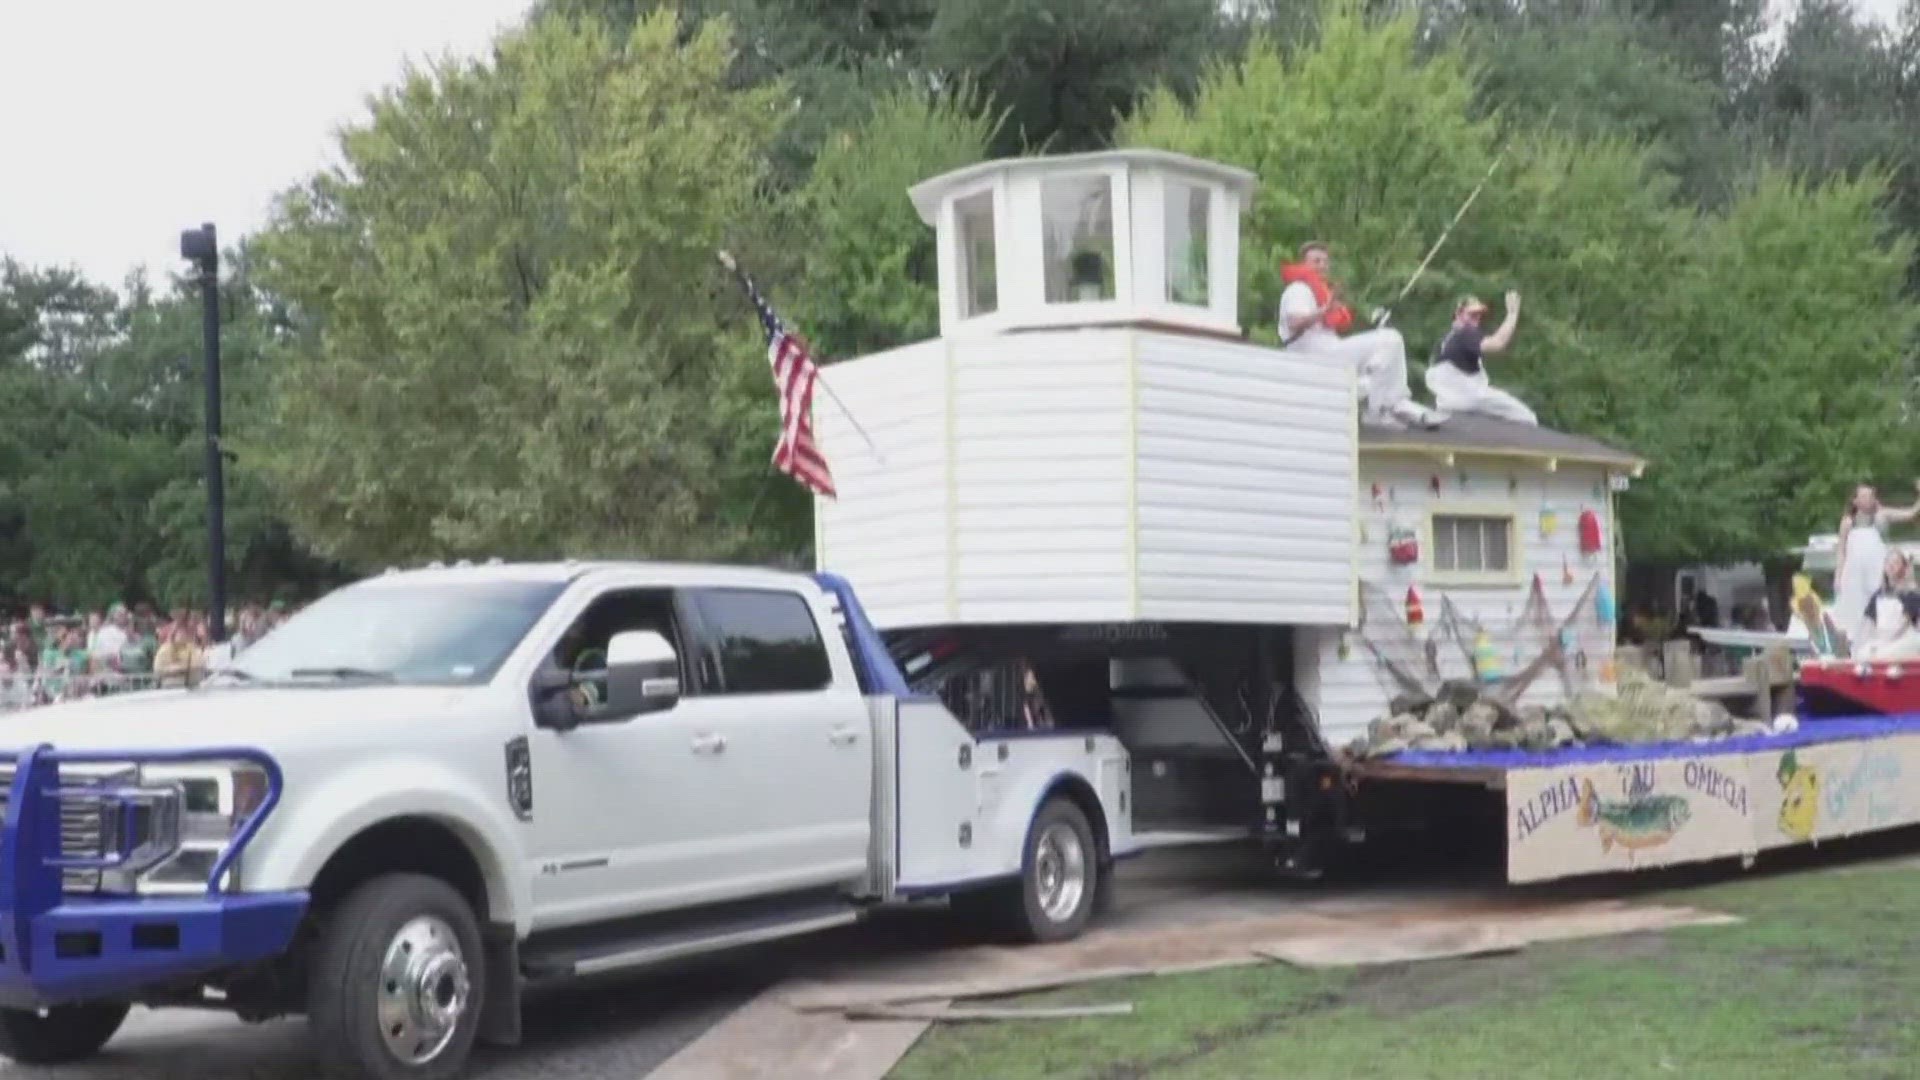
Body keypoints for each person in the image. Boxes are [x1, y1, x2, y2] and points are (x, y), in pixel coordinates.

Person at [1279, 242, 1443, 429]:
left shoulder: (1322, 291)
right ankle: (1379, 409)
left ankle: (1392, 402)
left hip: (1330, 354)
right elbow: (1294, 323)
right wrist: (1324, 310)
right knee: (1390, 338)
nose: (1322, 266)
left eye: (1325, 262)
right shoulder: (1298, 289)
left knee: (1391, 342)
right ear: (1303, 264)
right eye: (1316, 261)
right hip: (1313, 358)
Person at [1425, 293, 1537, 425]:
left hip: (1446, 403)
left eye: (1479, 314)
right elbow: (1497, 344)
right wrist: (1512, 314)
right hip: (1470, 397)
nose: (1477, 318)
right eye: (1472, 314)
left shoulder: (1445, 341)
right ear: (1458, 314)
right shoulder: (1465, 332)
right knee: (1527, 418)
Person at [1835, 482, 1920, 648]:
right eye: (1865, 496)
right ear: (1855, 501)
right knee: (1855, 616)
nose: (1869, 499)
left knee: (1879, 608)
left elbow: (1911, 513)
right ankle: (1854, 647)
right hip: (1854, 576)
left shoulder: (1881, 516)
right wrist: (1838, 576)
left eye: (1871, 495)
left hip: (1876, 572)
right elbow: (1841, 551)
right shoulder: (1847, 523)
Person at [1859, 549, 1920, 660]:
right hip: (1881, 639)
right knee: (1863, 653)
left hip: (1903, 639)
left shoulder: (1910, 593)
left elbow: (1905, 624)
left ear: (1903, 568)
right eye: (1888, 562)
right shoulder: (1878, 594)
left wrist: (1886, 641)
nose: (1891, 566)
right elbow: (1869, 623)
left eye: (1895, 563)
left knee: (1883, 655)